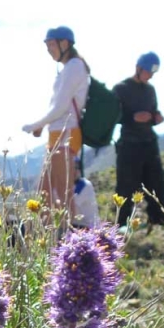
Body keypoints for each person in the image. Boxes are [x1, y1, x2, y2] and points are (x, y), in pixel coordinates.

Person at [22, 26, 89, 224]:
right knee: (44, 193)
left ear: (64, 44)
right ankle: (45, 240)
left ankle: (71, 244)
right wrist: (43, 126)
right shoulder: (69, 67)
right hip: (58, 135)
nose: (49, 49)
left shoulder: (74, 66)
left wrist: (36, 124)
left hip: (66, 136)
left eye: (51, 44)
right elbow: (60, 106)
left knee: (63, 192)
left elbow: (60, 107)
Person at [112, 52, 164, 228]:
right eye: (149, 72)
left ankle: (158, 221)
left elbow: (152, 112)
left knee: (156, 184)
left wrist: (155, 118)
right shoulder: (120, 88)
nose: (151, 76)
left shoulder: (150, 90)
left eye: (153, 73)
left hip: (149, 142)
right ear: (139, 68)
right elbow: (114, 117)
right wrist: (132, 118)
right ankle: (122, 225)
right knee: (126, 186)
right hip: (129, 144)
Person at [71, 157, 100, 229]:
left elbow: (70, 207)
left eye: (77, 167)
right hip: (76, 225)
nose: (75, 170)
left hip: (89, 227)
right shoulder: (71, 185)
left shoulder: (84, 185)